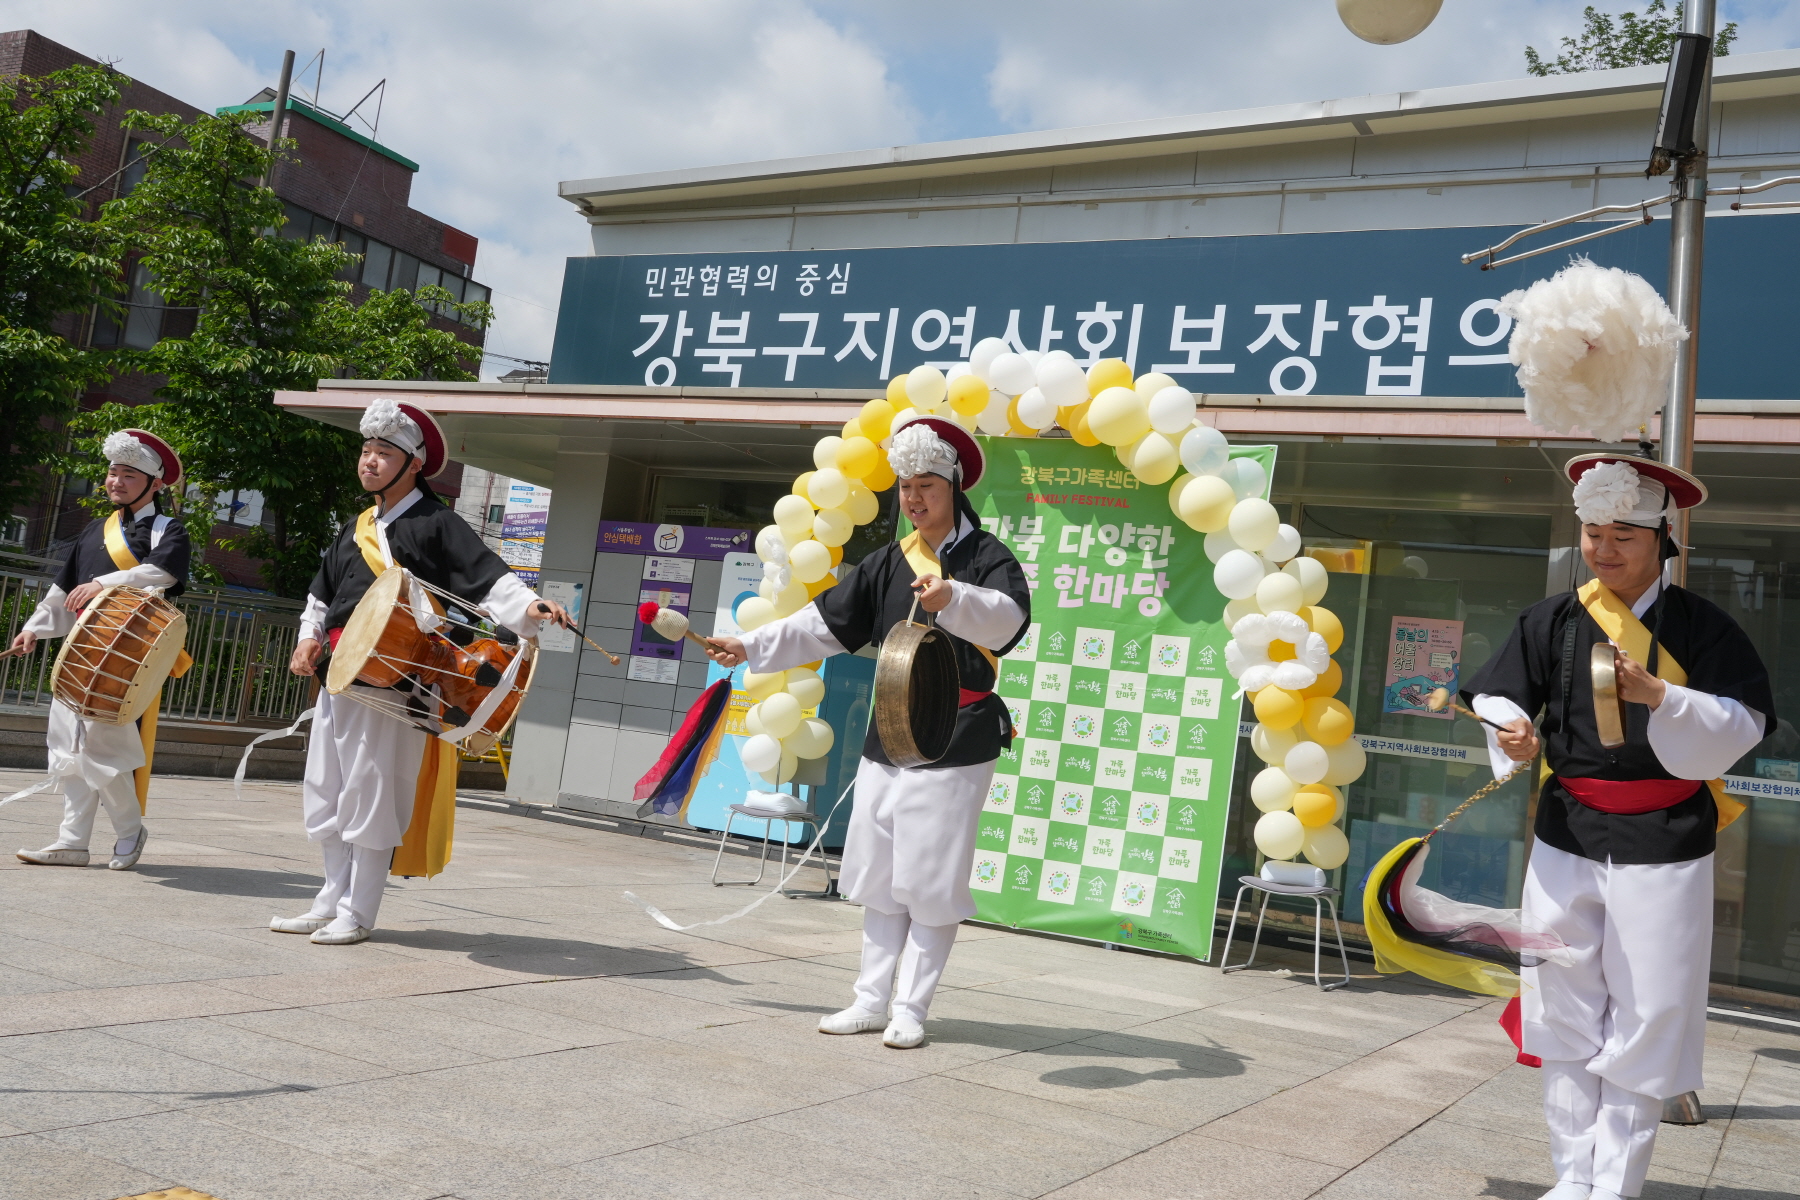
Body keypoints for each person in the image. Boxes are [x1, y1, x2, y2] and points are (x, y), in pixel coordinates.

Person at [1463, 453, 1773, 1200]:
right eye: (1593, 533)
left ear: (1663, 541)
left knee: (1648, 1012)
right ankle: (1571, 1179)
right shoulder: (1554, 619)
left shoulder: (1705, 627)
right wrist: (1509, 731)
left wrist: (1664, 696)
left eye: (1622, 537)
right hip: (1566, 831)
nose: (1603, 550)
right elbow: (1500, 696)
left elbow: (1745, 723)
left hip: (1665, 839)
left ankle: (1617, 1186)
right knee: (1560, 1004)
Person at [706, 415, 1030, 1048]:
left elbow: (1009, 621)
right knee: (880, 872)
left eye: (926, 487)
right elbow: (822, 624)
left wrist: (953, 599)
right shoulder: (887, 561)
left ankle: (911, 1008)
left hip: (957, 734)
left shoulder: (988, 557)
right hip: (890, 728)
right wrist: (748, 645)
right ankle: (869, 999)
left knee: (930, 880)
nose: (913, 499)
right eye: (905, 488)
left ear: (954, 486)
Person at [275, 398, 572, 946]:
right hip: (340, 676)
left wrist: (532, 607)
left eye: (383, 452)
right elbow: (320, 595)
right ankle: (328, 898)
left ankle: (358, 911)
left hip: (395, 682)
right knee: (326, 787)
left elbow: (490, 580)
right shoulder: (357, 525)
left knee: (371, 790)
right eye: (365, 450)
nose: (369, 461)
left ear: (413, 463)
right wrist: (307, 639)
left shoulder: (438, 523)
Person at [11, 430, 191, 871]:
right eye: (113, 472)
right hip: (81, 653)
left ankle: (129, 831)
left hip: (128, 658)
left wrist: (104, 583)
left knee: (104, 748)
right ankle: (73, 841)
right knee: (67, 747)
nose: (117, 481)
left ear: (154, 483)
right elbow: (62, 588)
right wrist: (33, 628)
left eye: (129, 474)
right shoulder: (95, 530)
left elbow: (162, 575)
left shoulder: (169, 530)